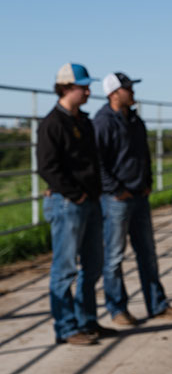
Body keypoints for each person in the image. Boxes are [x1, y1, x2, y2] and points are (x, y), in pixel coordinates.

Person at [94, 72, 172, 324]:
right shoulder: (102, 122)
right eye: (127, 88)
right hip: (117, 199)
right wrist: (115, 189)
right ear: (114, 93)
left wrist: (147, 183)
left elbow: (143, 155)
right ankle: (117, 309)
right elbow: (98, 162)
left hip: (138, 195)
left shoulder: (135, 120)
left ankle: (157, 304)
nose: (132, 92)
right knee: (114, 256)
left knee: (148, 253)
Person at [38, 63, 117, 345]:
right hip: (68, 204)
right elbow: (47, 167)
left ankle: (87, 321)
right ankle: (67, 327)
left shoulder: (82, 121)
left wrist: (92, 194)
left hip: (90, 202)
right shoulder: (52, 124)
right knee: (65, 268)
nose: (88, 91)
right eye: (82, 87)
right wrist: (76, 194)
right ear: (65, 88)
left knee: (94, 264)